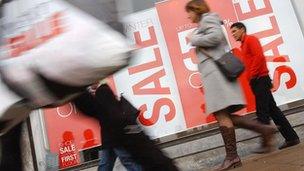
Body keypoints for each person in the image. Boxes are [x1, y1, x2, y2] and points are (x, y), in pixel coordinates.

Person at [185, 1, 276, 170]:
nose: (187, 16)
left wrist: (194, 38)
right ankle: (262, 130)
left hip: (216, 75)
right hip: (215, 75)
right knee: (223, 115)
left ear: (196, 10)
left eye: (189, 12)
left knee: (221, 114)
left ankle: (233, 156)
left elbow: (216, 37)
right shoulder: (204, 22)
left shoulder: (208, 19)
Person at [73, 84, 178, 171]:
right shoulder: (105, 98)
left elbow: (88, 108)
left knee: (118, 161)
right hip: (110, 138)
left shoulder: (103, 96)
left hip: (113, 137)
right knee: (108, 163)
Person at [230, 22, 300, 151]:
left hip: (260, 79)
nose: (232, 35)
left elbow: (259, 57)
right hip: (257, 80)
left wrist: (253, 75)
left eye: (234, 31)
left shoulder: (251, 39)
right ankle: (291, 138)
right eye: (231, 32)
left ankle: (266, 144)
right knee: (273, 110)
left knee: (262, 112)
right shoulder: (243, 45)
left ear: (242, 30)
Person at [87, 83, 143, 171]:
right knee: (106, 164)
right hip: (109, 137)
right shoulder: (102, 91)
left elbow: (106, 114)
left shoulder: (102, 91)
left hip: (114, 135)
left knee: (125, 160)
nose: (89, 86)